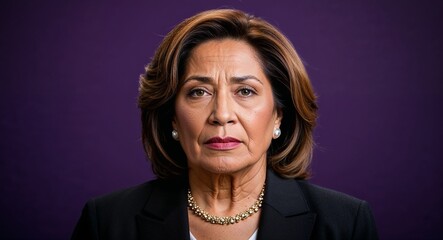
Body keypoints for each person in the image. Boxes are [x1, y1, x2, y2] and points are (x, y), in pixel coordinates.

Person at [72, 9, 378, 240]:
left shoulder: (343, 223)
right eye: (198, 92)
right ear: (172, 116)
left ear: (278, 115)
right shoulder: (108, 222)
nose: (221, 114)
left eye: (245, 91)